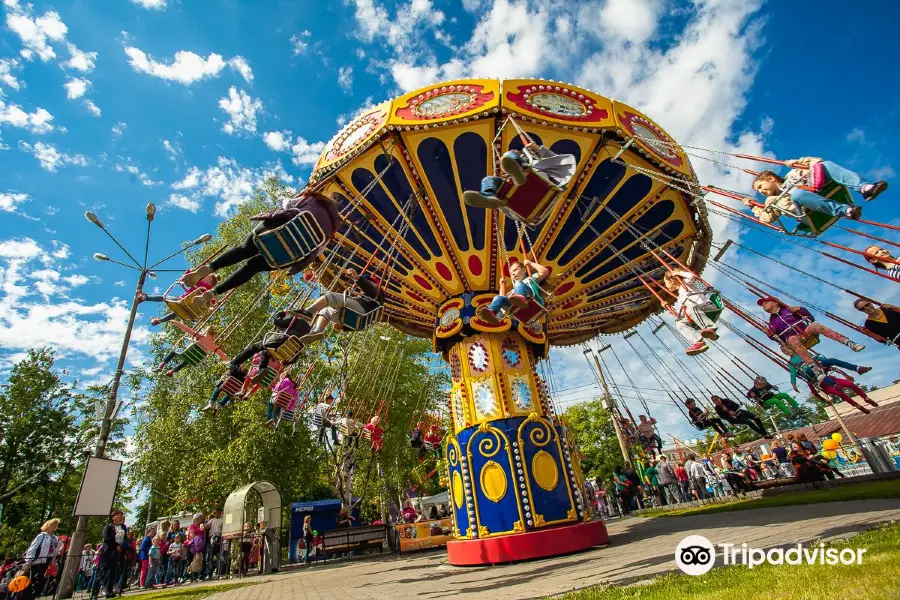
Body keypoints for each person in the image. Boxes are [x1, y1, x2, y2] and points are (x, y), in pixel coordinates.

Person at [184, 191, 341, 299]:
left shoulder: (312, 198)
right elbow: (318, 250)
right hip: (285, 255)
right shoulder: (330, 232)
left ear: (327, 198)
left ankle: (210, 268)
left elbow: (287, 204)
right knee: (253, 267)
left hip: (272, 232)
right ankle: (214, 293)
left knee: (243, 249)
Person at [746, 157, 887, 224]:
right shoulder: (771, 201)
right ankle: (845, 211)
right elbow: (766, 219)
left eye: (760, 187)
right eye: (758, 191)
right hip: (804, 211)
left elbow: (816, 164)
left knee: (825, 165)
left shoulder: (793, 175)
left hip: (816, 191)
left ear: (771, 178)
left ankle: (864, 188)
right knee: (797, 193)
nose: (760, 192)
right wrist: (754, 207)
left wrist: (799, 162)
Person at [758, 296, 863, 376]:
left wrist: (800, 309)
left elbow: (810, 318)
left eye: (766, 302)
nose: (764, 305)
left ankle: (848, 342)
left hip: (805, 332)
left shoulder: (789, 310)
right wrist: (768, 333)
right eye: (763, 304)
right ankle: (813, 366)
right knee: (791, 339)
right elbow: (778, 338)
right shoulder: (772, 321)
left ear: (775, 302)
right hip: (795, 339)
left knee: (815, 326)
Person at [463, 141, 576, 209]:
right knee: (488, 180)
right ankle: (490, 197)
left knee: (510, 157)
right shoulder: (531, 163)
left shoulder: (536, 163)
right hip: (523, 191)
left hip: (540, 181)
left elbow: (555, 160)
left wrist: (539, 149)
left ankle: (519, 175)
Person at [293, 268, 384, 346]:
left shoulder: (377, 293)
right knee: (326, 311)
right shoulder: (372, 301)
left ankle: (308, 312)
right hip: (358, 321)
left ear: (373, 283)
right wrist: (344, 327)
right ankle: (317, 331)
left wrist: (358, 278)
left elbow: (370, 289)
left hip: (361, 309)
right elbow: (360, 323)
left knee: (330, 296)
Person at [788, 355, 878, 414]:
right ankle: (857, 405)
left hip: (826, 375)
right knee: (839, 393)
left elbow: (816, 358)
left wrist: (846, 375)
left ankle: (865, 397)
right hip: (824, 384)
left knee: (849, 384)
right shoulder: (794, 366)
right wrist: (793, 384)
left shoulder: (800, 352)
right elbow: (793, 373)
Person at [476, 258, 550, 325]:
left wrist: (530, 263)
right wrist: (502, 286)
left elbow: (544, 271)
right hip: (519, 308)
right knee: (498, 298)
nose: (513, 274)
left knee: (518, 284)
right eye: (511, 273)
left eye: (515, 270)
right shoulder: (514, 290)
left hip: (534, 301)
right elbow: (503, 298)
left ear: (524, 270)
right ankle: (491, 312)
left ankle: (522, 297)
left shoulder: (531, 279)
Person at [663, 269, 720, 356]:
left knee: (690, 307)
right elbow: (681, 314)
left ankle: (710, 328)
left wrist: (677, 273)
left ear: (672, 280)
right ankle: (698, 342)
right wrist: (670, 309)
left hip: (706, 307)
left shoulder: (686, 283)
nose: (665, 285)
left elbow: (692, 276)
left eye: (665, 282)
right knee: (680, 323)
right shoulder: (680, 298)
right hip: (695, 312)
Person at [142, 273, 219, 326]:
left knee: (164, 298)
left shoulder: (201, 283)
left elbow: (189, 278)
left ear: (209, 280)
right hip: (191, 311)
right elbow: (212, 302)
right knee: (177, 312)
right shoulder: (210, 292)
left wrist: (183, 279)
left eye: (207, 277)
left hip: (183, 300)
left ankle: (145, 298)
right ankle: (159, 320)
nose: (204, 277)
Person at [155, 324, 228, 377]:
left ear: (207, 332)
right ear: (214, 336)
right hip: (195, 359)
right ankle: (172, 371)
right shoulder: (213, 346)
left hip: (188, 352)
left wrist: (175, 322)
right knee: (188, 360)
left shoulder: (200, 336)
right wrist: (228, 363)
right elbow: (223, 355)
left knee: (174, 352)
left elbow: (187, 329)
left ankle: (162, 365)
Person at [21, 518, 60, 600]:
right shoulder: (41, 536)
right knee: (32, 580)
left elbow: (55, 551)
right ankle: (27, 596)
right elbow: (33, 548)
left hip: (46, 562)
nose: (56, 526)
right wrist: (29, 560)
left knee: (40, 582)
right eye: (54, 524)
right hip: (36, 561)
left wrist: (54, 557)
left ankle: (33, 596)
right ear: (49, 525)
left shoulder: (55, 538)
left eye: (57, 524)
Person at [93, 510, 126, 599]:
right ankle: (94, 593)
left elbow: (125, 538)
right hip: (108, 552)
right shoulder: (108, 527)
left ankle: (109, 591)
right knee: (102, 572)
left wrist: (121, 546)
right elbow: (107, 539)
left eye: (120, 515)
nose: (119, 517)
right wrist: (116, 546)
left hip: (117, 553)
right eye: (117, 515)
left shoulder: (123, 527)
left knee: (113, 573)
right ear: (113, 517)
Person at [204, 509, 223, 580]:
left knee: (219, 557)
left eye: (216, 512)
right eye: (214, 513)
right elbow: (207, 526)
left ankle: (219, 573)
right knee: (210, 557)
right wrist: (203, 526)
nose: (215, 514)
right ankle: (209, 574)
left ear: (220, 512)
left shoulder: (222, 520)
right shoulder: (212, 520)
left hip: (219, 538)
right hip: (211, 539)